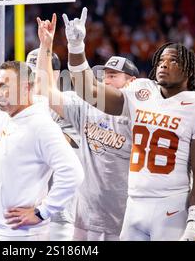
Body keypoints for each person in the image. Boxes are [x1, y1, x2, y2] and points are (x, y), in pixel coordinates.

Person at [64, 7, 195, 241]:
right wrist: (76, 47)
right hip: (133, 204)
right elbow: (87, 90)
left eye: (173, 60)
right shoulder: (141, 92)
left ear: (189, 70)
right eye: (161, 60)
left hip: (171, 206)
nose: (163, 64)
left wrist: (194, 223)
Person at [0, 6, 84, 241]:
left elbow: (73, 173)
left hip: (23, 236)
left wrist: (42, 212)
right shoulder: (4, 112)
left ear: (26, 88)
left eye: (3, 85)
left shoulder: (41, 124)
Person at [34, 14, 139, 240]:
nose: (105, 80)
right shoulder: (85, 106)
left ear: (131, 82)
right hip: (83, 220)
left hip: (127, 221)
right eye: (103, 75)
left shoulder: (139, 113)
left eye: (113, 76)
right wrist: (46, 45)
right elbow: (46, 93)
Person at [26, 47, 81, 241]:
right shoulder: (20, 109)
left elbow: (66, 145)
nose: (31, 79)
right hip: (26, 206)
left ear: (54, 74)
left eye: (36, 73)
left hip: (59, 211)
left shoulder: (70, 104)